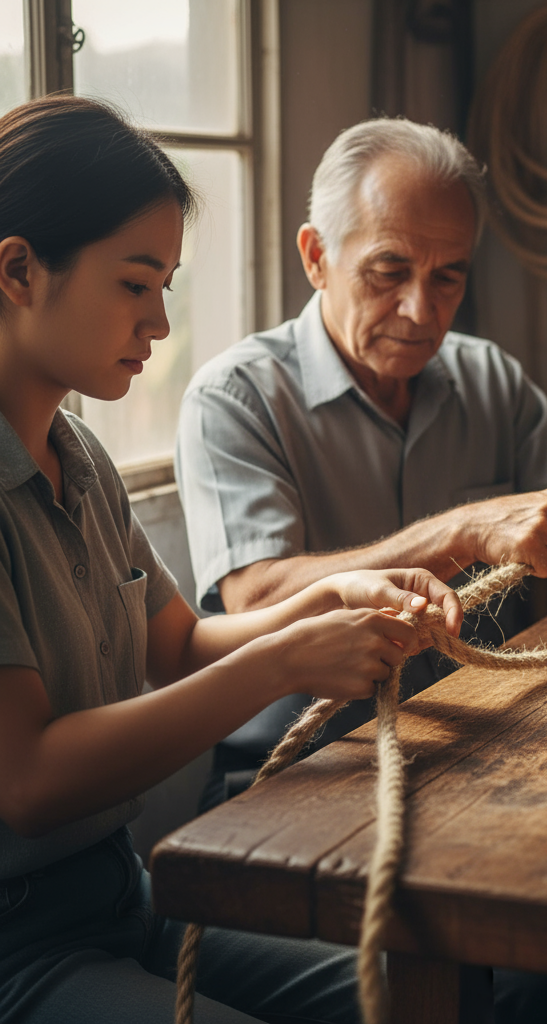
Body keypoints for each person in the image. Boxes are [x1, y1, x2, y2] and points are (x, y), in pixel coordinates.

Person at [0, 95, 465, 1024]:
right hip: (20, 948)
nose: (160, 324)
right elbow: (29, 781)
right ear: (18, 269)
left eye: (165, 285)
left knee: (413, 998)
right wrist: (288, 661)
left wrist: (328, 596)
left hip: (123, 897)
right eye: (136, 284)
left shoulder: (79, 457)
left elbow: (174, 644)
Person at [175, 117, 547, 806]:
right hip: (303, 773)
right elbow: (258, 598)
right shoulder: (234, 398)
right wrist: (462, 532)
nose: (421, 310)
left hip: (486, 749)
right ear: (316, 256)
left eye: (448, 278)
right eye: (389, 271)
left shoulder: (488, 379)